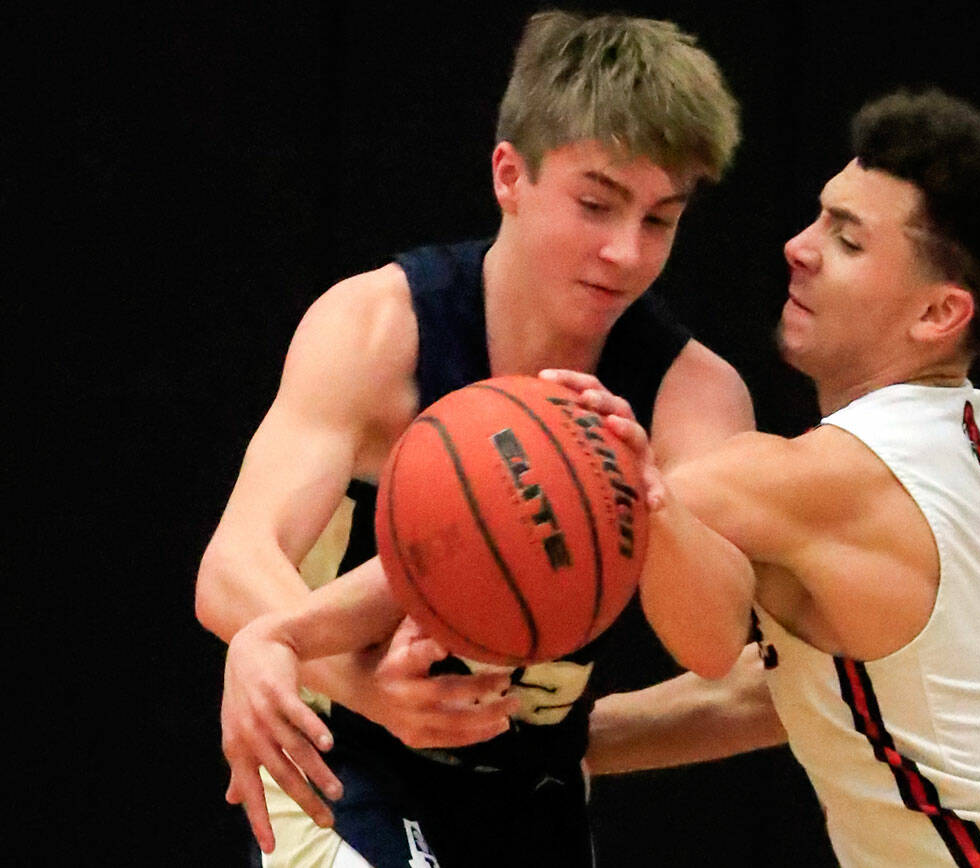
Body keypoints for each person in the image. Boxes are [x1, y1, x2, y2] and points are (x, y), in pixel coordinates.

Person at [196, 11, 768, 867]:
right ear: (510, 174)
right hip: (348, 759)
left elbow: (716, 645)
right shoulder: (381, 326)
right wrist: (355, 683)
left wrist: (655, 499)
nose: (624, 252)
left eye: (660, 220)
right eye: (596, 204)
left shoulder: (690, 393)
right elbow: (232, 564)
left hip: (530, 786)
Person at [551, 88, 980, 866]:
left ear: (938, 314)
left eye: (848, 241)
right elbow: (775, 698)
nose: (799, 247)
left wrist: (347, 667)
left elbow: (545, 503)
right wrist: (553, 754)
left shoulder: (839, 477)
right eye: (819, 217)